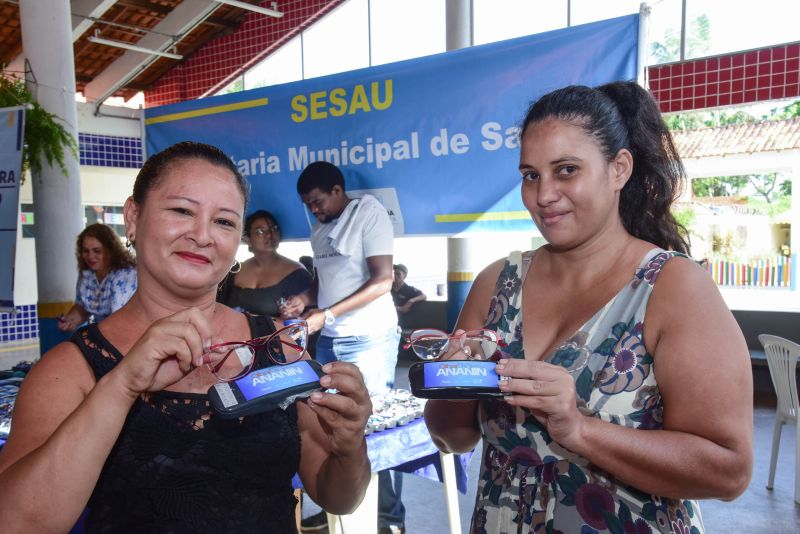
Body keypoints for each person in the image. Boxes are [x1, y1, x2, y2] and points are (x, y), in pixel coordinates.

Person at [423, 82, 753, 533]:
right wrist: (451, 383)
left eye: (566, 170)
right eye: (530, 175)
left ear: (619, 169)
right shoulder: (496, 284)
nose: (543, 196)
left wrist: (580, 429)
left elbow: (729, 471)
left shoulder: (672, 288)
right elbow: (452, 436)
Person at [0, 142, 372, 533]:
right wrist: (122, 384)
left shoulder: (279, 348)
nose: (202, 235)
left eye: (224, 222)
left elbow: (337, 497)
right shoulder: (69, 369)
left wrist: (349, 447)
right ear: (133, 216)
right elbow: (16, 523)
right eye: (182, 211)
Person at [280, 161, 404, 534]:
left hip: (369, 336)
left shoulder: (368, 213)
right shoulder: (320, 229)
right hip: (331, 339)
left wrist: (326, 315)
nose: (314, 210)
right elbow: (324, 281)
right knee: (324, 424)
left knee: (374, 428)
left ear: (337, 190)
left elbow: (383, 281)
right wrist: (305, 301)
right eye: (308, 205)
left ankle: (388, 519)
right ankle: (331, 507)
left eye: (318, 202)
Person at [217, 209, 312, 317]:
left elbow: (306, 318)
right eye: (260, 231)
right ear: (247, 239)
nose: (269, 235)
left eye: (274, 229)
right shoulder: (235, 270)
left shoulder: (297, 274)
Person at [57, 223, 137, 331]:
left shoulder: (124, 275)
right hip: (103, 333)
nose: (90, 256)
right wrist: (71, 320)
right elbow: (82, 308)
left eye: (97, 251)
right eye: (86, 251)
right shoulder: (87, 275)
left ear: (110, 251)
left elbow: (119, 319)